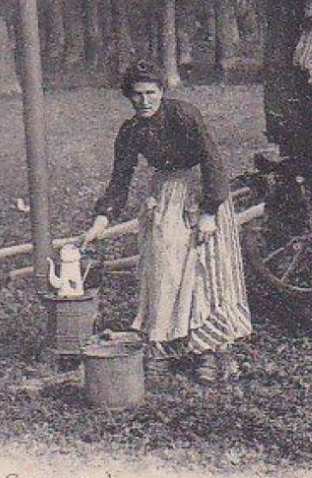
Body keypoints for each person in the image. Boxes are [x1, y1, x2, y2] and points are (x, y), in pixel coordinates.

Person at [81, 61, 250, 384]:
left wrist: (209, 212)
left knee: (200, 272)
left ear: (161, 92)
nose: (144, 101)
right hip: (165, 195)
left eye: (151, 93)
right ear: (128, 96)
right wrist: (102, 220)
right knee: (162, 270)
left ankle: (208, 351)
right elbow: (120, 180)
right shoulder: (131, 131)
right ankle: (163, 347)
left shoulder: (184, 115)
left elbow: (211, 159)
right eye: (137, 94)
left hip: (199, 192)